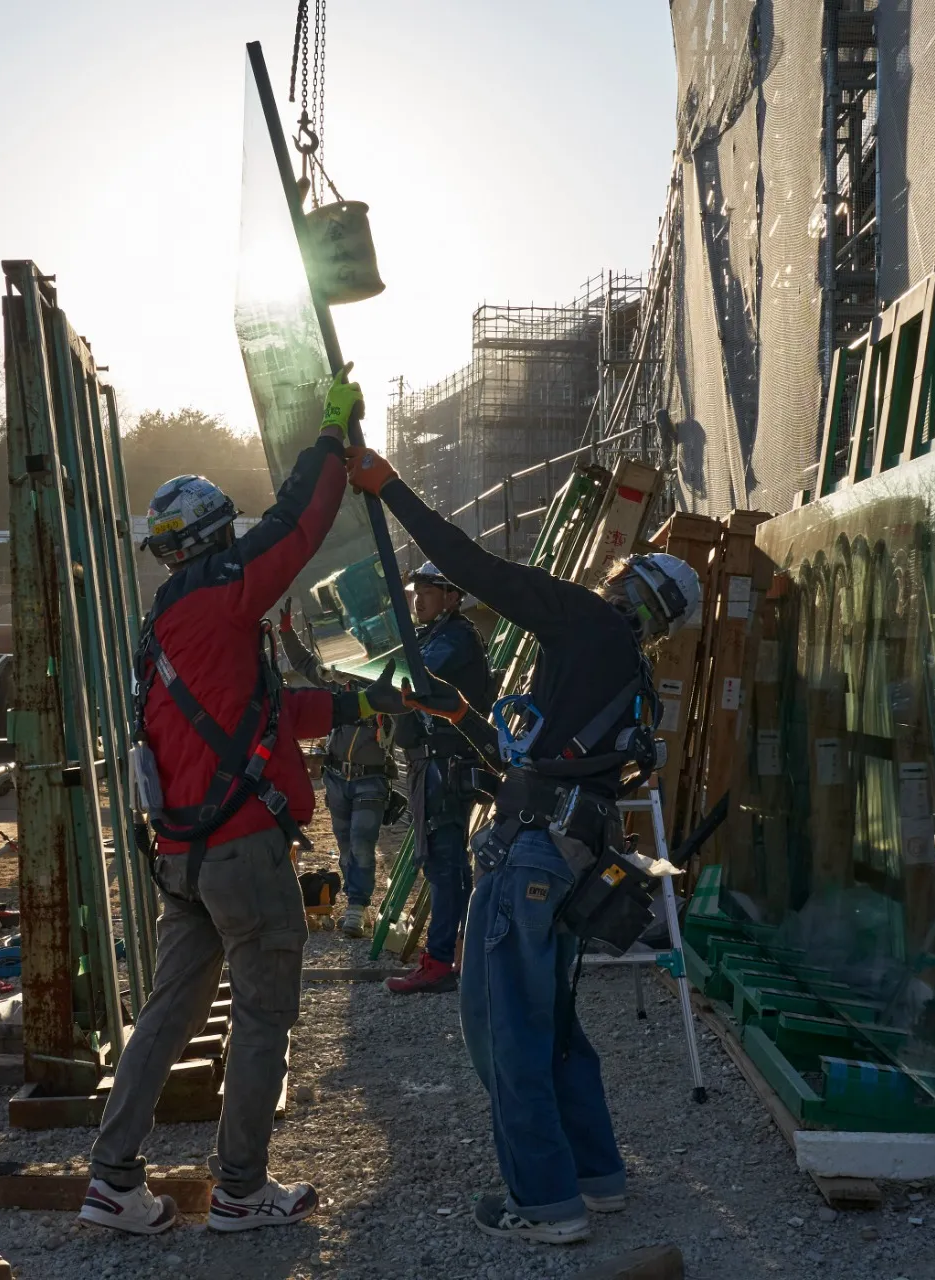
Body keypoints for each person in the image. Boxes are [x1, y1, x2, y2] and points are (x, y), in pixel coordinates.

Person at [347, 443, 702, 1246]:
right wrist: (461, 722)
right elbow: (544, 759)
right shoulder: (629, 678)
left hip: (532, 858)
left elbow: (473, 567)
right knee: (555, 1023)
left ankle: (544, 1203)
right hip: (573, 855)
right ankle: (596, 1176)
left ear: (627, 590)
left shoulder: (584, 623)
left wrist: (388, 487)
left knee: (504, 1027)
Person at [83, 369, 385, 1237]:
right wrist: (329, 440)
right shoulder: (225, 592)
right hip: (244, 852)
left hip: (186, 855)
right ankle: (243, 1191)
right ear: (216, 541)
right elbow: (297, 525)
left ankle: (111, 1180)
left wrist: (369, 704)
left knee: (169, 1012)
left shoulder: (174, 626)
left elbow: (267, 719)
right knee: (262, 1017)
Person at [385, 561, 492, 994]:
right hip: (433, 763)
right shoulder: (435, 636)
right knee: (450, 867)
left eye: (429, 590)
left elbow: (415, 677)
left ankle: (440, 962)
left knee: (443, 865)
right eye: (416, 591)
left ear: (452, 596)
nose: (419, 598)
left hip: (442, 766)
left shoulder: (454, 638)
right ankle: (457, 955)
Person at [277, 605, 394, 937]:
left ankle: (357, 905)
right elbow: (304, 664)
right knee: (346, 845)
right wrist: (286, 632)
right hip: (338, 776)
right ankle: (354, 902)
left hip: (371, 777)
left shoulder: (386, 685)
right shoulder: (339, 684)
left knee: (361, 843)